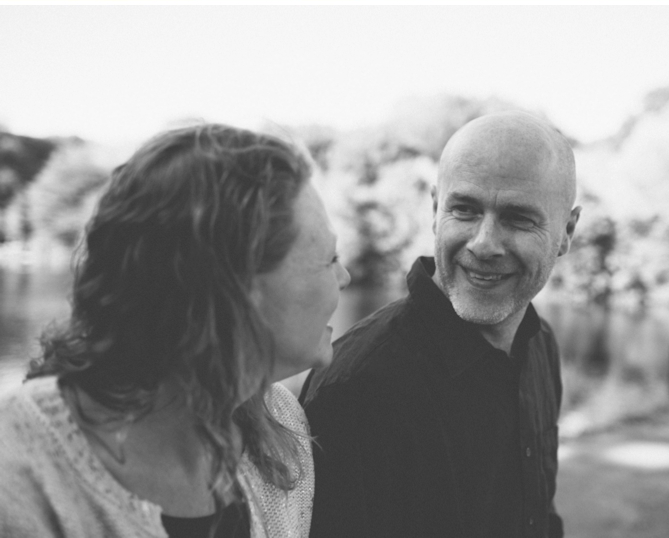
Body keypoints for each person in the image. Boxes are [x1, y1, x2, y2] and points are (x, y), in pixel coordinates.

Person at [0, 123, 350, 538]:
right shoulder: (20, 463)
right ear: (235, 288)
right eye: (329, 259)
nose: (344, 277)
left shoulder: (282, 430)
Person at [300, 111, 580, 538]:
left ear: (567, 232)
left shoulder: (539, 344)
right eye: (464, 210)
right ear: (435, 210)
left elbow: (539, 512)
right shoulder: (356, 387)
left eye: (518, 218)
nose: (484, 243)